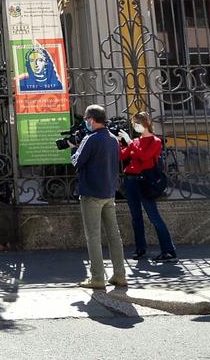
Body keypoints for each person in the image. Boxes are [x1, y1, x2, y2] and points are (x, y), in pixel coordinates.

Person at [70, 104, 128, 290]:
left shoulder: (90, 139)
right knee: (114, 235)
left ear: (92, 120)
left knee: (93, 236)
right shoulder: (112, 139)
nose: (86, 122)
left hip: (91, 193)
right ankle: (120, 274)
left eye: (86, 119)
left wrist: (73, 149)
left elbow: (77, 162)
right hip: (109, 192)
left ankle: (97, 277)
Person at [119, 111, 178, 261]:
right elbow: (122, 155)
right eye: (134, 124)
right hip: (131, 181)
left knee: (154, 216)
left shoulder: (155, 141)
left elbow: (144, 156)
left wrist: (130, 143)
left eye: (137, 123)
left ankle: (168, 250)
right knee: (136, 217)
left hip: (144, 182)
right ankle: (141, 249)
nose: (135, 126)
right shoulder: (136, 141)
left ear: (146, 123)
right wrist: (119, 142)